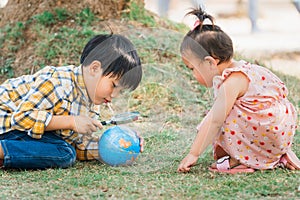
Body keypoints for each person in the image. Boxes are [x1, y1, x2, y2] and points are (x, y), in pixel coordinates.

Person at [177, 7, 300, 173]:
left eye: (192, 68)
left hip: (271, 132)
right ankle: (272, 153)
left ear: (209, 63)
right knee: (226, 110)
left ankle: (245, 160)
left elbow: (215, 121)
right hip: (278, 130)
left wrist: (193, 153)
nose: (192, 74)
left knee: (221, 115)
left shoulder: (233, 82)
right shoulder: (242, 68)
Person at [0, 34, 143, 169]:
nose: (114, 95)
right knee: (64, 153)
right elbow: (20, 118)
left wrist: (120, 145)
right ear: (94, 68)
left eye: (120, 91)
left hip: (19, 131)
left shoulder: (91, 104)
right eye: (114, 86)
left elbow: (78, 146)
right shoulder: (59, 84)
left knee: (65, 150)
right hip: (5, 120)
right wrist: (71, 121)